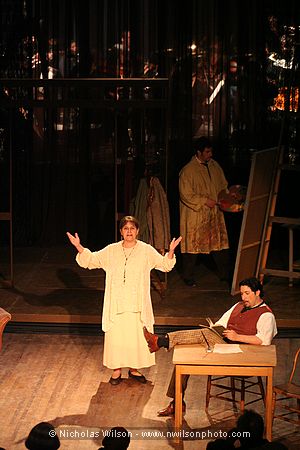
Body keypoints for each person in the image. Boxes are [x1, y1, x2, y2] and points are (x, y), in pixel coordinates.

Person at [67, 215, 181, 385]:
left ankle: (134, 369)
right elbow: (91, 260)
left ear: (137, 231)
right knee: (117, 337)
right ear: (121, 232)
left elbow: (164, 265)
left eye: (132, 229)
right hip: (117, 304)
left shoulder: (146, 250)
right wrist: (79, 247)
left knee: (136, 337)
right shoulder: (112, 250)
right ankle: (117, 370)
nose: (129, 232)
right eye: (126, 229)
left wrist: (171, 251)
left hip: (137, 304)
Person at [143, 277, 277, 416]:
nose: (243, 297)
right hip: (224, 347)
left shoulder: (266, 315)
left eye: (247, 293)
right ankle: (177, 403)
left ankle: (160, 341)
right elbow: (222, 322)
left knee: (203, 334)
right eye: (242, 293)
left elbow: (264, 340)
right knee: (182, 361)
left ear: (257, 292)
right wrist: (215, 329)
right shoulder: (239, 306)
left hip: (241, 356)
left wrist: (237, 337)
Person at [179, 136, 230, 287]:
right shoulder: (188, 171)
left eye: (211, 151)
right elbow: (186, 194)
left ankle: (225, 274)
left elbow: (223, 185)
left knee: (219, 245)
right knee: (192, 247)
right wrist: (204, 201)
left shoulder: (215, 166)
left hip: (214, 212)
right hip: (196, 216)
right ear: (199, 152)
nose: (210, 154)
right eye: (207, 152)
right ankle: (188, 276)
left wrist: (226, 197)